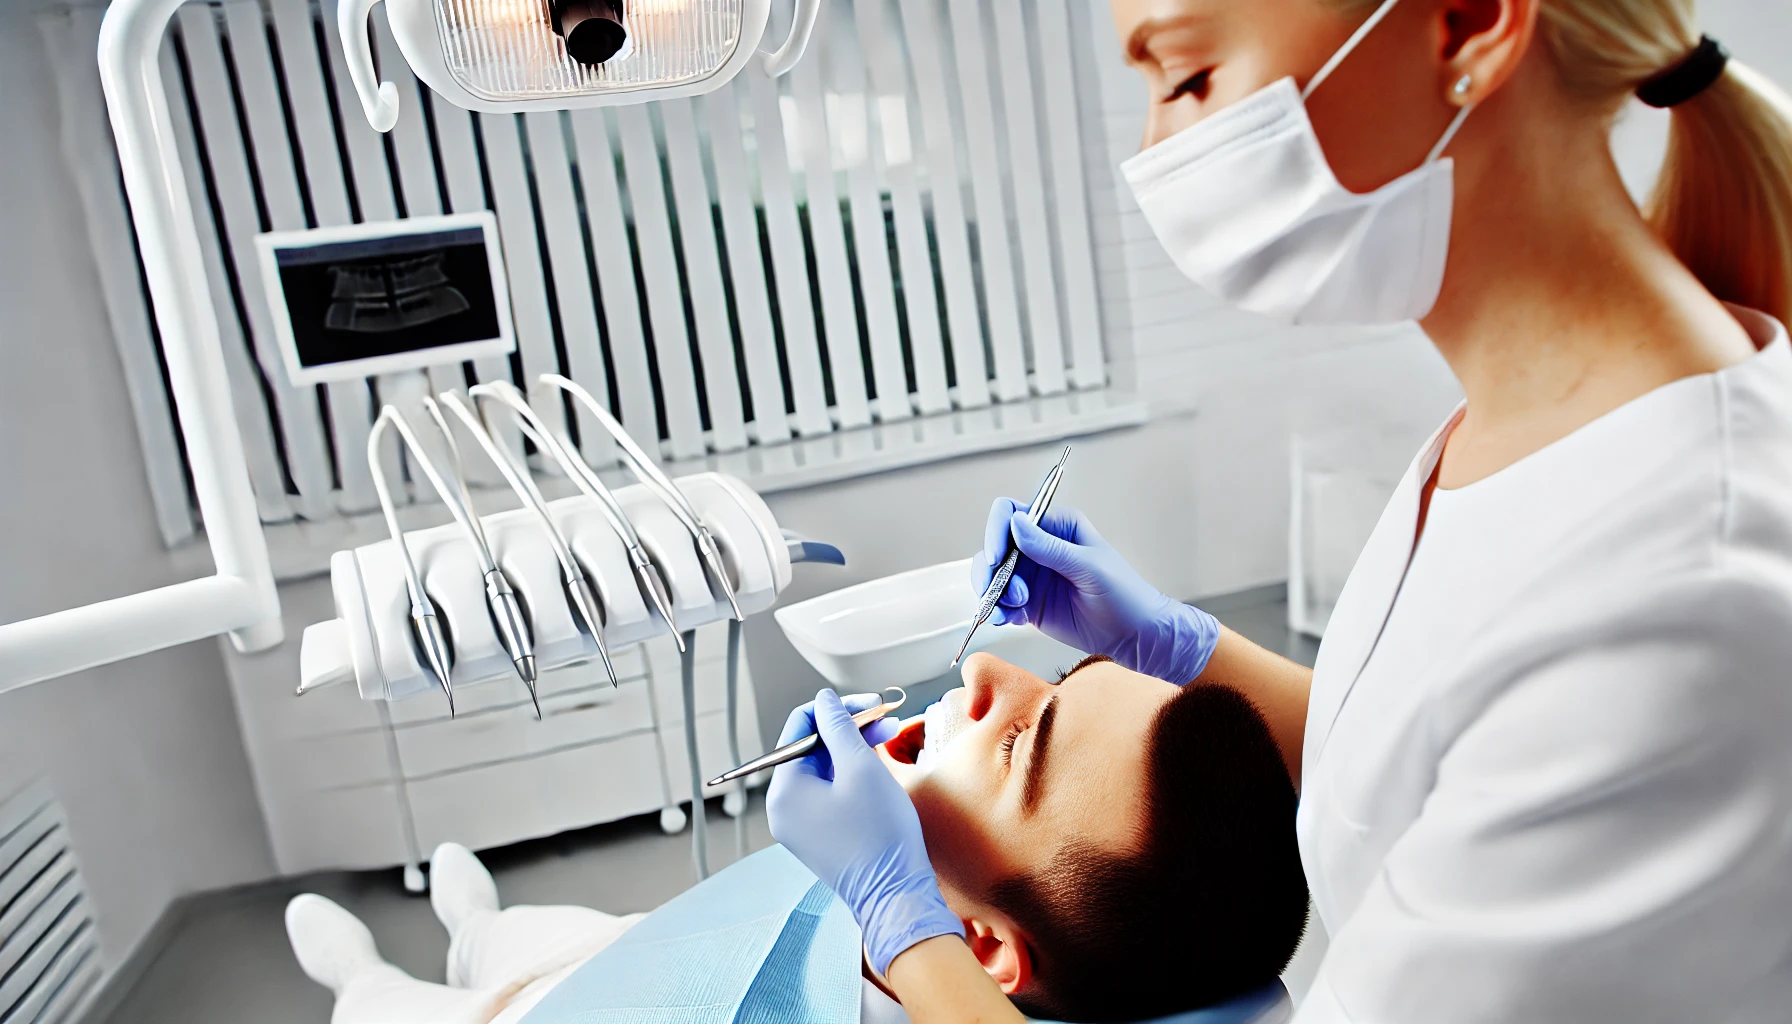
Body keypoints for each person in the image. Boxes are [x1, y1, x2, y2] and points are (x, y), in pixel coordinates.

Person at [765, 0, 1792, 1022]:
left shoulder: (1676, 596)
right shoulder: (1533, 424)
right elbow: (1430, 760)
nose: (1158, 151)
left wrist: (902, 922)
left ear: (1469, 21)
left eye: (1186, 80)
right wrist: (1182, 648)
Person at [285, 654, 1309, 1024]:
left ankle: (366, 975)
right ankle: (479, 925)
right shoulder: (920, 894)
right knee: (531, 938)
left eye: (1020, 742)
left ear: (983, 947)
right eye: (1060, 677)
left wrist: (894, 905)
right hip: (629, 943)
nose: (992, 666)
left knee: (415, 1007)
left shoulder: (907, 910)